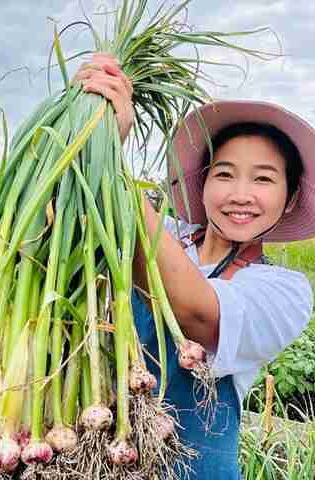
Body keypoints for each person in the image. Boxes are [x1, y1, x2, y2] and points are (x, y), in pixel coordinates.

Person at [74, 54, 315, 479]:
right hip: (103, 460)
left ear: (290, 197)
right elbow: (69, 221)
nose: (241, 194)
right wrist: (86, 123)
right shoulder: (164, 230)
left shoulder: (283, 290)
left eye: (263, 179)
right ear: (203, 182)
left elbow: (196, 313)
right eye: (224, 174)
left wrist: (110, 160)